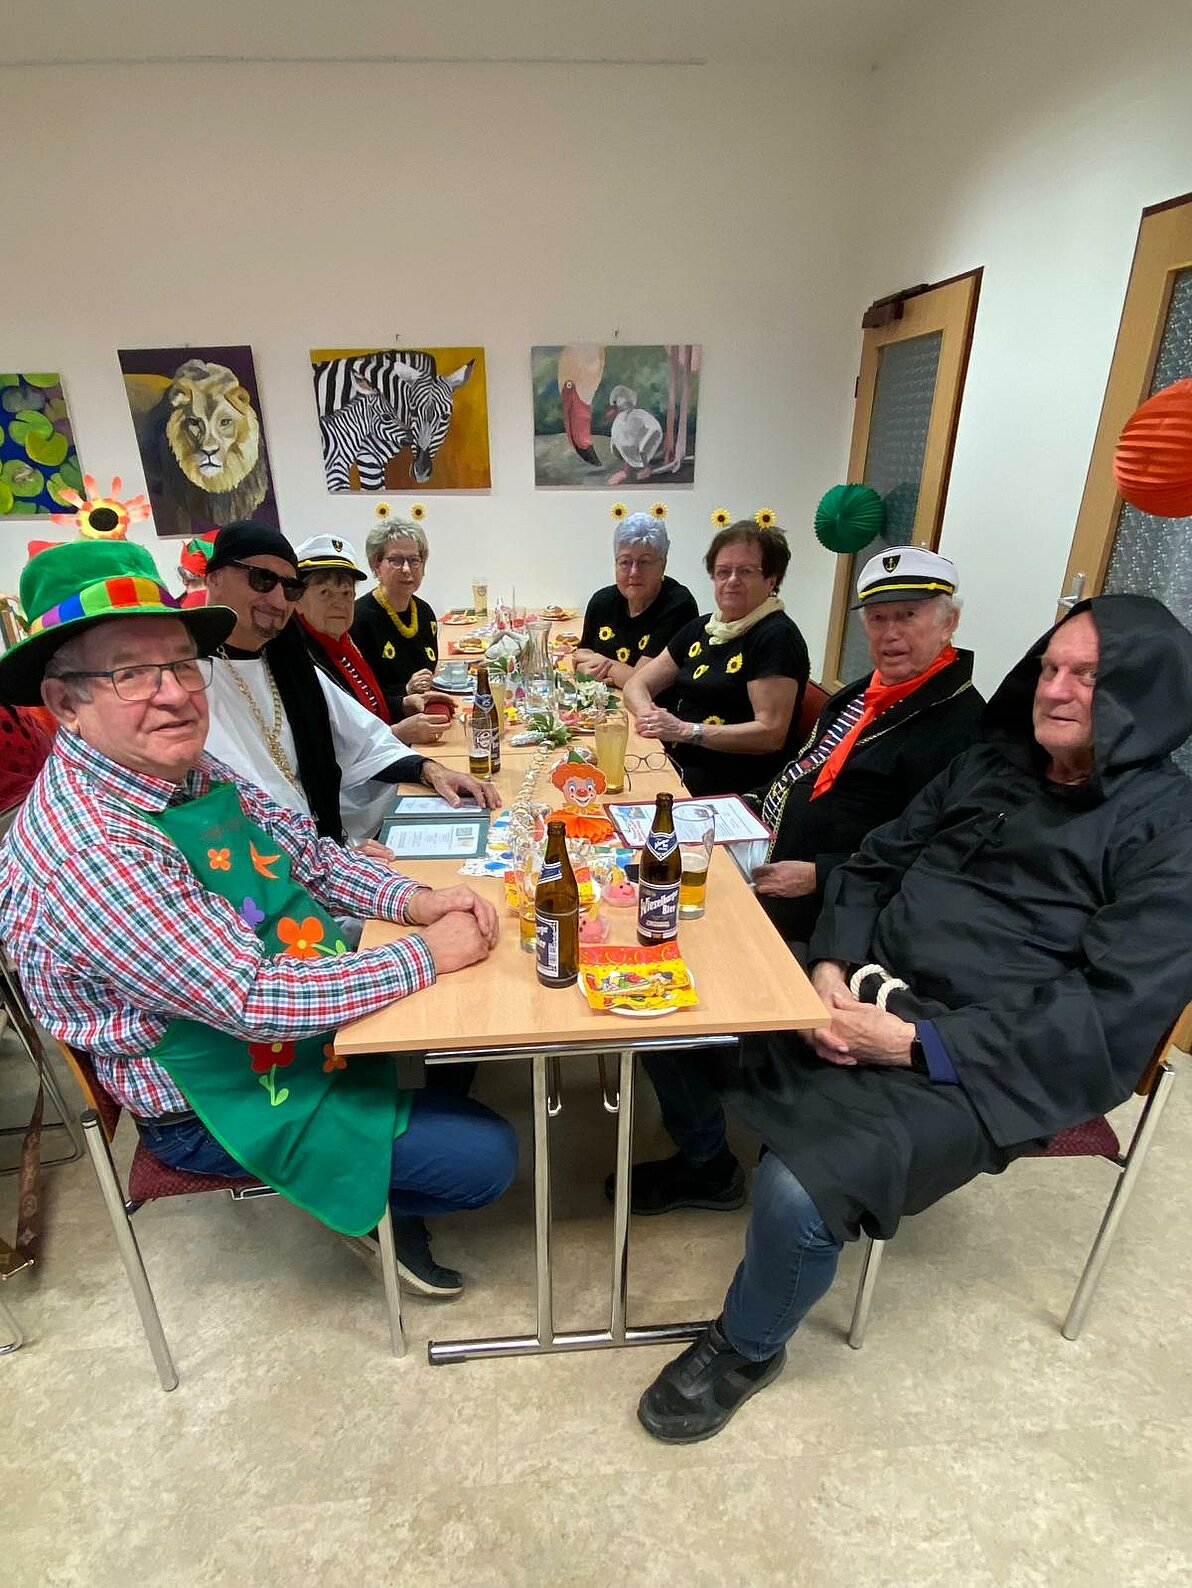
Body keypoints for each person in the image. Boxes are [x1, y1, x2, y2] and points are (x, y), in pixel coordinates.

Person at [635, 594, 1192, 1443]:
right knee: (672, 1004)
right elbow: (872, 864)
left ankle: (748, 1345)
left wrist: (909, 1042)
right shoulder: (990, 766)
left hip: (977, 1055)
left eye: (1088, 675)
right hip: (857, 983)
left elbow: (1107, 1013)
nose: (1056, 689)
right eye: (1051, 667)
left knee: (797, 1192)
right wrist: (827, 968)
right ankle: (709, 1166)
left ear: (1143, 694)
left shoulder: (1171, 830)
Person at [0, 538, 517, 1296]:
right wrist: (428, 952)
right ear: (64, 703)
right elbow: (253, 999)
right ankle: (364, 1203)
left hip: (275, 1009)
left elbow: (306, 857)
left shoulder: (182, 767)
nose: (174, 693)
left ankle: (383, 1133)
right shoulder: (89, 847)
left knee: (459, 1034)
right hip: (213, 1096)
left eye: (182, 664)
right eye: (130, 673)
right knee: (487, 1159)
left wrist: (416, 900)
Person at [618, 547, 984, 1218]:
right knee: (641, 888)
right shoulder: (865, 692)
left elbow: (942, 865)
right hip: (765, 859)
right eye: (878, 618)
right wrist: (734, 816)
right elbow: (802, 778)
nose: (890, 633)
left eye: (909, 616)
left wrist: (821, 873)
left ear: (949, 622)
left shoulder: (960, 728)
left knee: (661, 975)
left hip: (834, 912)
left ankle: (708, 1163)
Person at [201, 521, 496, 849]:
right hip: (279, 861)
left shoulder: (286, 662)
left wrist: (432, 770)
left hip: (325, 848)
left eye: (290, 587)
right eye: (263, 579)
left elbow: (366, 738)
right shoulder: (191, 682)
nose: (278, 599)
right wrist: (338, 852)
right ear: (213, 577)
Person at [624, 518, 809, 796]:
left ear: (771, 580)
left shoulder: (776, 637)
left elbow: (771, 733)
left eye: (745, 571)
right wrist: (648, 715)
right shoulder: (704, 627)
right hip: (678, 759)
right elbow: (636, 684)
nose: (732, 581)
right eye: (723, 572)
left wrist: (686, 731)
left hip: (731, 780)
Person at [294, 533, 452, 747]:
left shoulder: (341, 645)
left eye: (346, 593)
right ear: (296, 599)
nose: (340, 604)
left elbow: (365, 707)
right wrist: (397, 733)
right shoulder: (303, 660)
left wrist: (404, 703)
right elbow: (333, 747)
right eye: (325, 593)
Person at [573, 511, 698, 691]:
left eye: (644, 562)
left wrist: (602, 664)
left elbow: (642, 682)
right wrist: (584, 669)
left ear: (663, 564)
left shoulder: (679, 605)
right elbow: (581, 655)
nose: (634, 572)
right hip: (608, 702)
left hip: (656, 707)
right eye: (625, 562)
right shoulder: (602, 601)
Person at [350, 512, 440, 718]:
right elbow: (358, 694)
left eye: (414, 560)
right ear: (376, 564)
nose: (407, 569)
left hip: (425, 715)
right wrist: (406, 690)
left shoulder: (424, 612)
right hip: (385, 724)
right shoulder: (359, 618)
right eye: (396, 560)